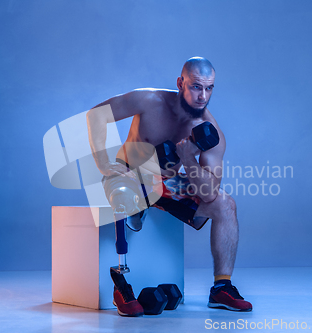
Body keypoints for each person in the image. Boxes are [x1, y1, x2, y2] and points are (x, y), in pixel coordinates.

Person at [87, 57, 252, 316]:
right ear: (180, 83)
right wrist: (103, 162)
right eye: (197, 86)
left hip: (167, 185)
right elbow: (96, 115)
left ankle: (222, 287)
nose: (203, 96)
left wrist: (188, 159)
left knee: (224, 203)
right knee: (125, 193)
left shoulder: (210, 132)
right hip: (130, 174)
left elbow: (208, 193)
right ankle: (121, 284)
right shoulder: (149, 101)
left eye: (209, 88)